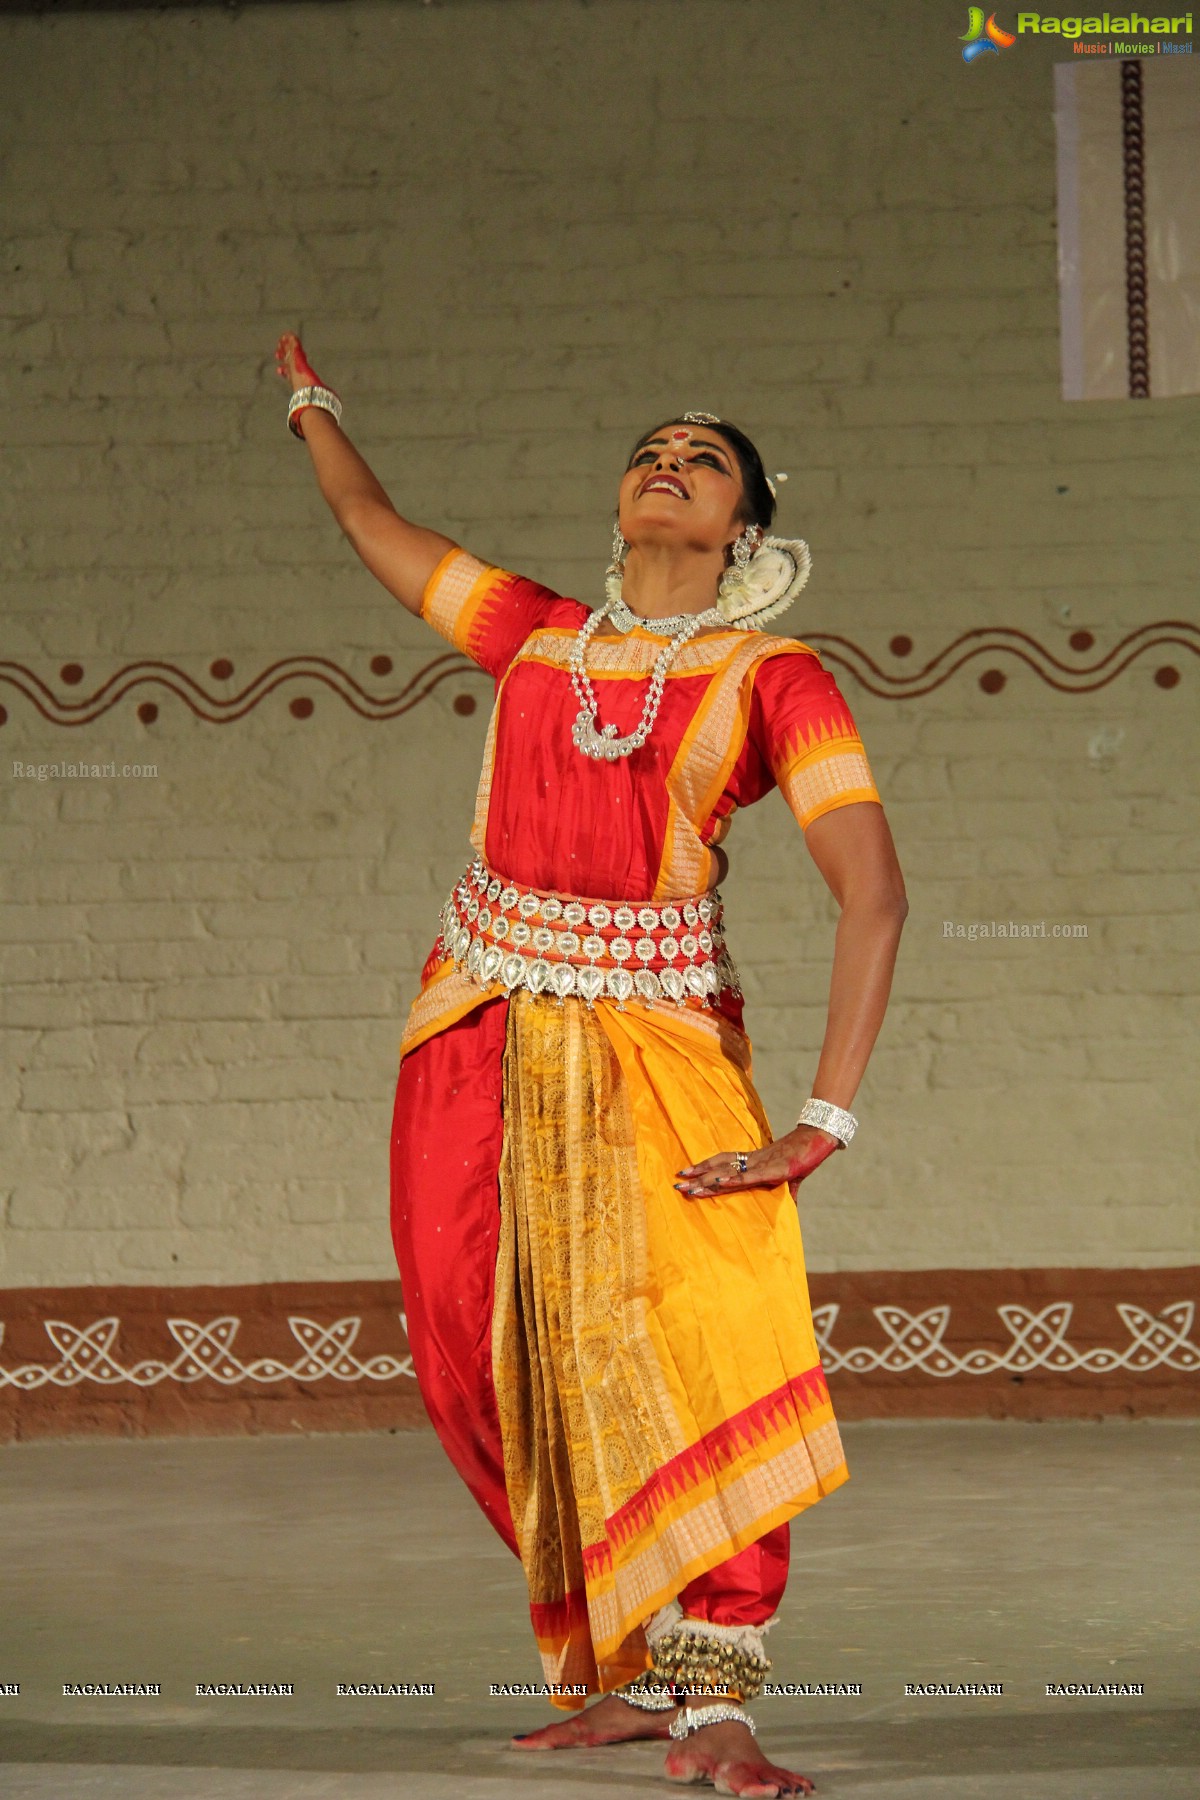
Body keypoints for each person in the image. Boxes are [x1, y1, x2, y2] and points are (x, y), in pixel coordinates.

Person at [275, 330, 908, 1799]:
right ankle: (622, 1660)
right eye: (650, 451)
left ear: (745, 523)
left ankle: (714, 1693)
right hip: (479, 1016)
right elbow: (374, 524)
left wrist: (821, 1119)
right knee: (467, 1340)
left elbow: (872, 892)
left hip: (662, 1039)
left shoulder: (775, 677)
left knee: (705, 1344)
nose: (668, 465)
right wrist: (314, 410)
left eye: (705, 460)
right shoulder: (533, 634)